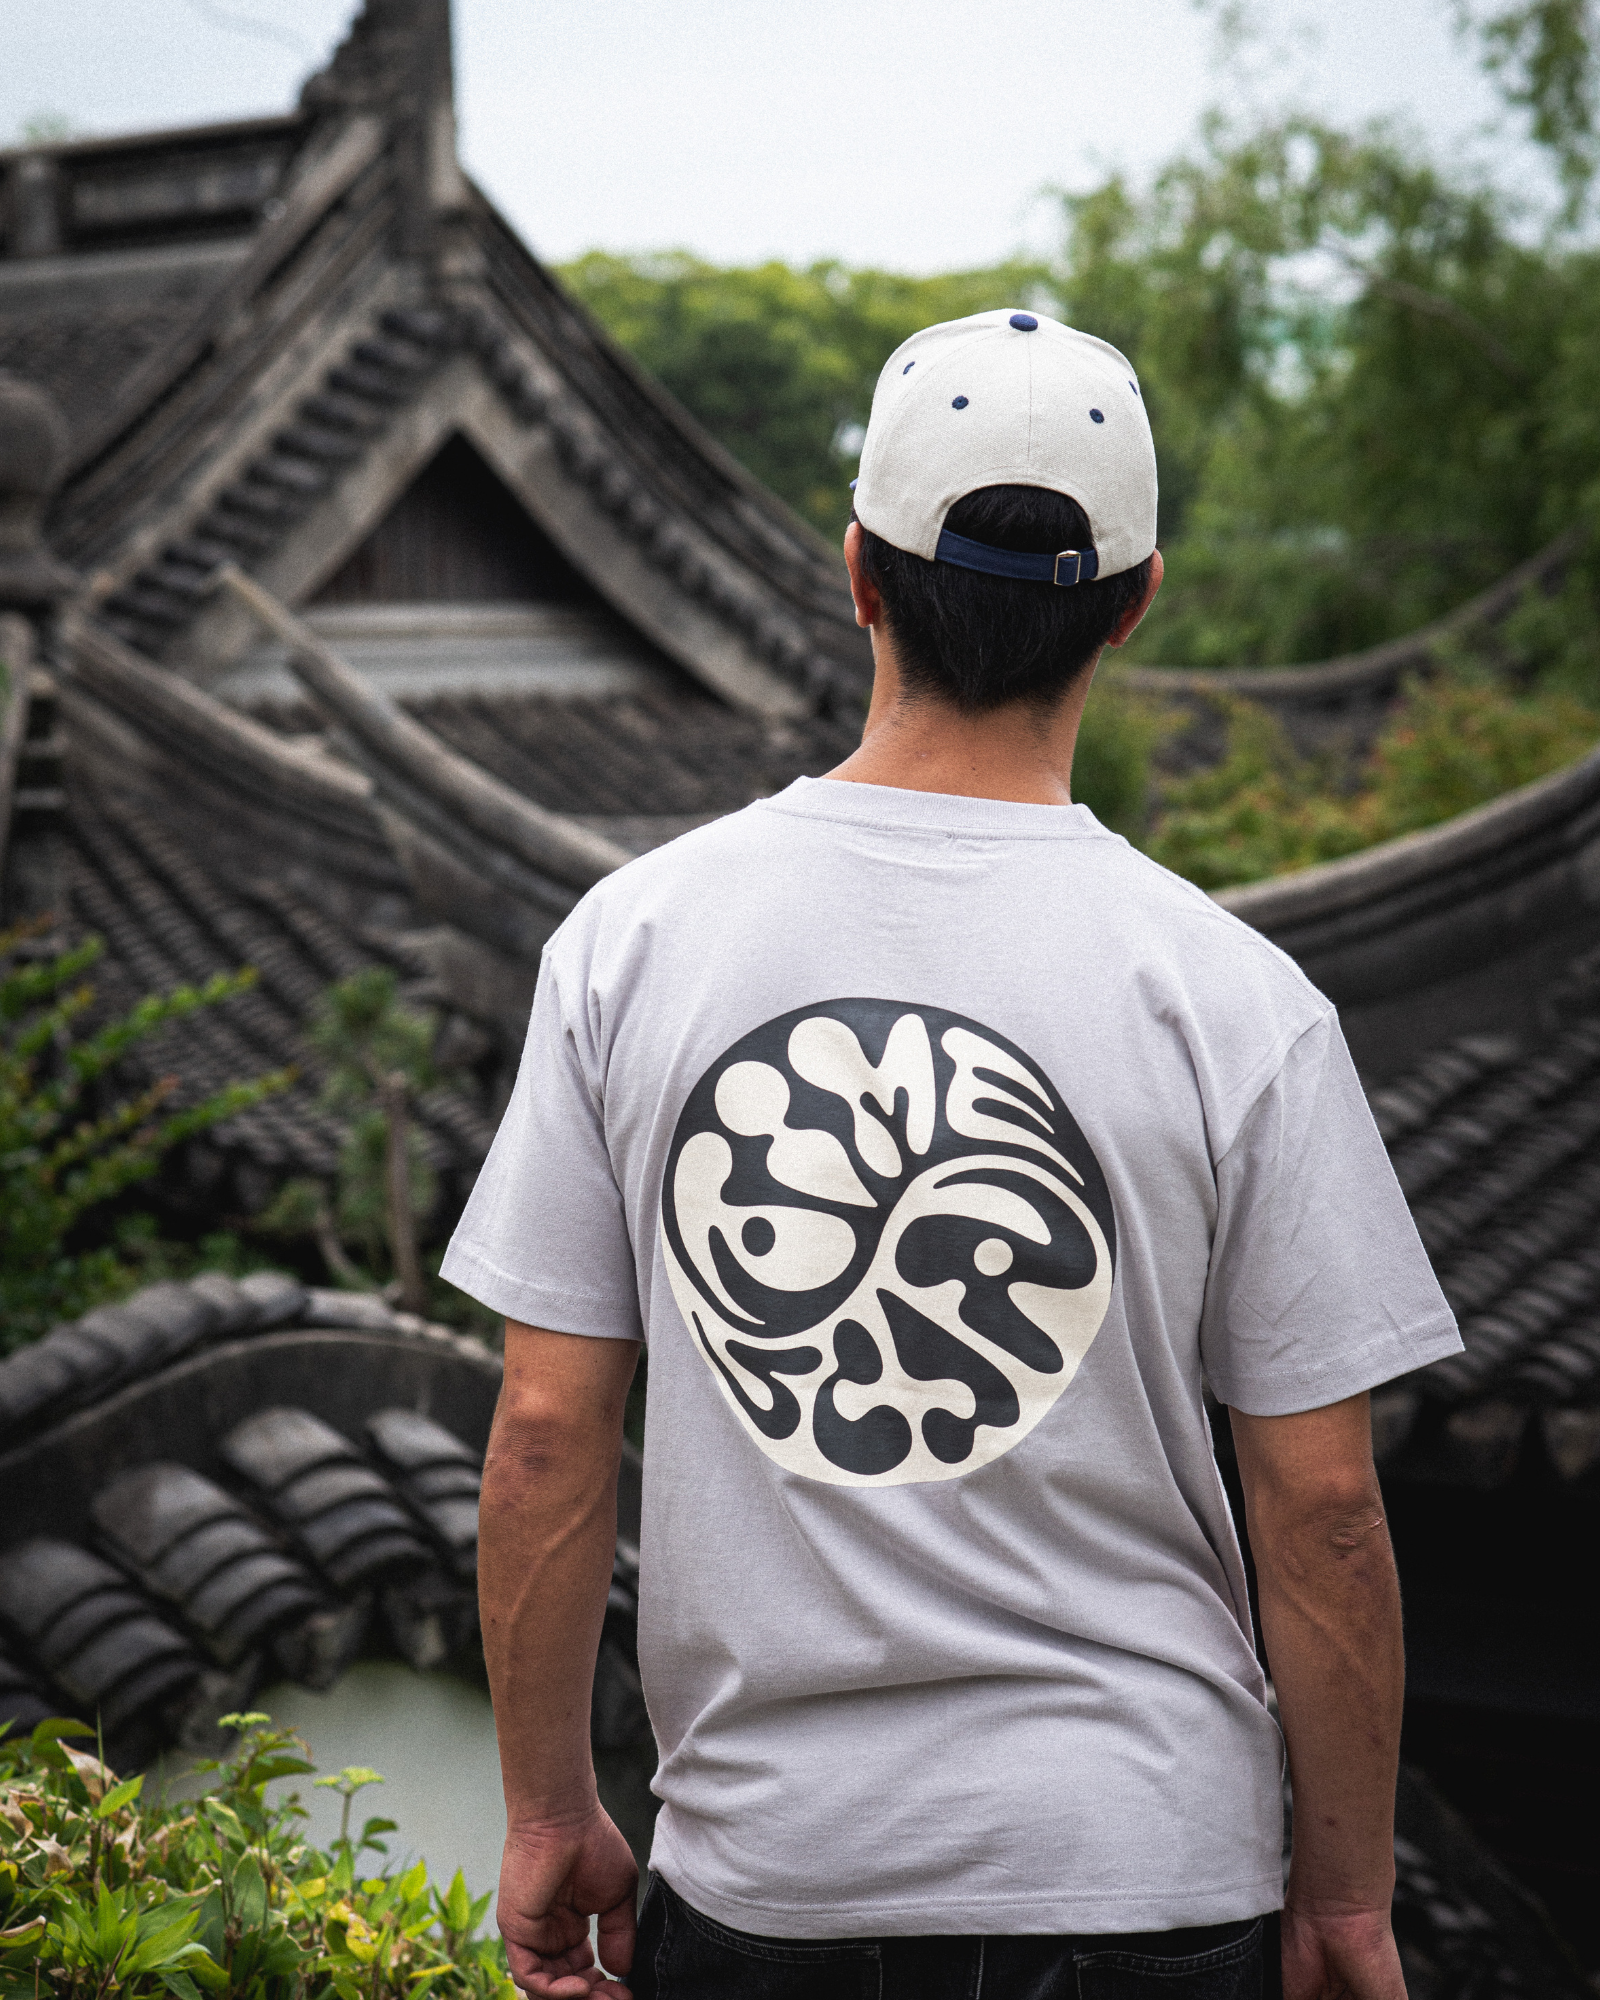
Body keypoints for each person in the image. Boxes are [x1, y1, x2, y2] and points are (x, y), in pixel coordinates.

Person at [443, 308, 1461, 2000]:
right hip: (1149, 1874)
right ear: (1135, 604)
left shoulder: (633, 943)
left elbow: (547, 1431)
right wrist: (1348, 1902)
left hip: (774, 1879)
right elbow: (1326, 1506)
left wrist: (551, 1810)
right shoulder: (1236, 999)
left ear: (858, 572)